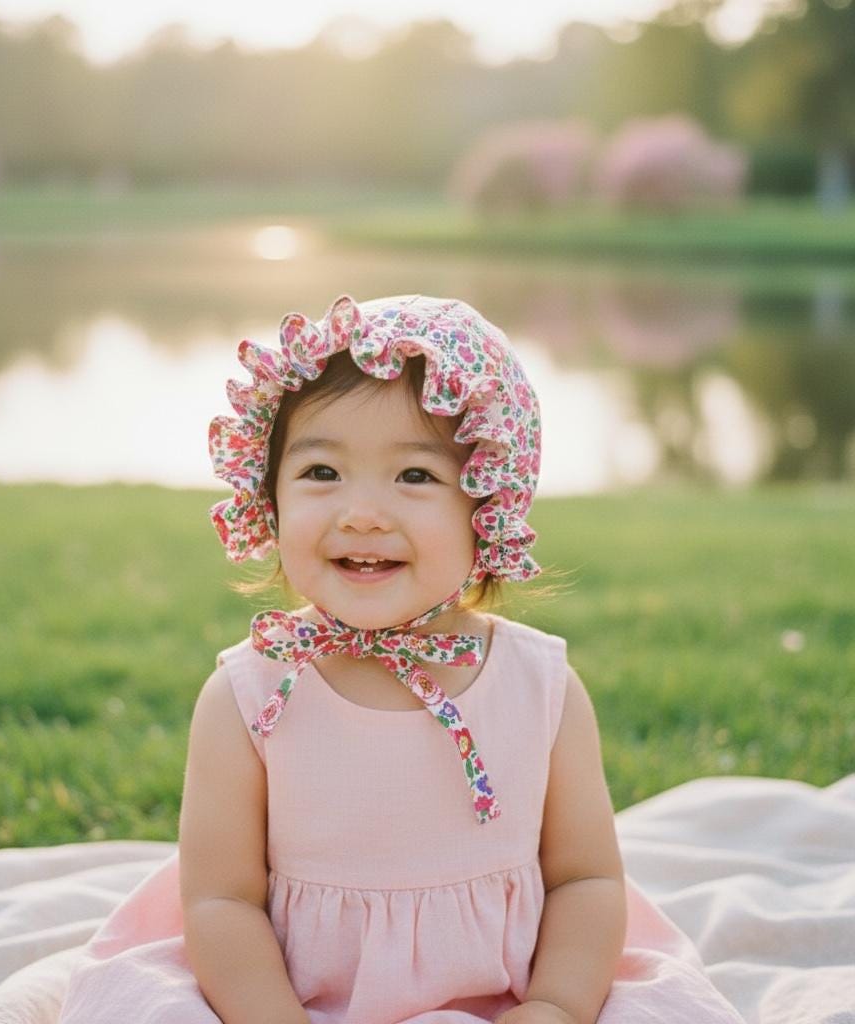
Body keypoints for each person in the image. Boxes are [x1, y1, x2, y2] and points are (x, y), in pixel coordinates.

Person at [58, 294, 744, 1024]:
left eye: (415, 476)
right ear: (270, 498)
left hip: (508, 995)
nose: (361, 512)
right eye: (321, 473)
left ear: (490, 506)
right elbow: (222, 900)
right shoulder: (252, 693)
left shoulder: (539, 688)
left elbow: (586, 881)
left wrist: (556, 1005)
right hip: (287, 998)